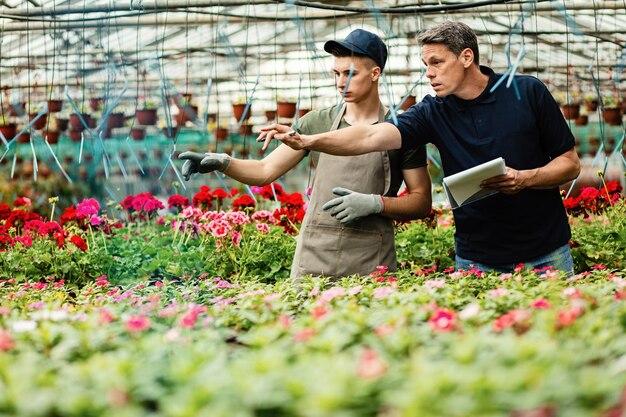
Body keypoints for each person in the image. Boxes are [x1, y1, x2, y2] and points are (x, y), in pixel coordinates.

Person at [258, 21, 581, 276]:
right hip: (477, 258)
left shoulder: (527, 93)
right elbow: (370, 137)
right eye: (426, 64)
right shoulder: (433, 111)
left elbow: (570, 164)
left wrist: (525, 178)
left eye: (437, 62)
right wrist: (308, 140)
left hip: (546, 252)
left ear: (467, 57)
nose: (428, 73)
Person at [180, 29, 432, 278]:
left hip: (371, 260)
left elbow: (421, 202)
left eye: (350, 74)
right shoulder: (316, 122)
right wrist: (222, 162)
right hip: (315, 255)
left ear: (375, 73)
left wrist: (376, 203)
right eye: (336, 73)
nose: (340, 83)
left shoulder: (400, 131)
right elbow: (264, 170)